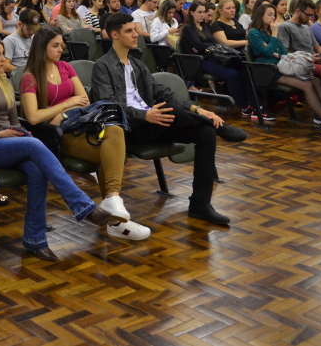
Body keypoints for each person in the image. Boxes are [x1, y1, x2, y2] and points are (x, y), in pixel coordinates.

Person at [0, 35, 116, 257]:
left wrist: (20, 134)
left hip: (11, 142)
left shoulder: (4, 82)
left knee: (38, 171)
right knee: (34, 145)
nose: (3, 59)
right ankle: (82, 205)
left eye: (3, 54)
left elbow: (15, 122)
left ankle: (35, 240)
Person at [93, 12, 231, 225]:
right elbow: (109, 105)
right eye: (129, 31)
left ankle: (200, 204)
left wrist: (197, 109)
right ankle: (219, 127)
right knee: (171, 110)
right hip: (131, 128)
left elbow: (161, 91)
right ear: (115, 35)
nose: (135, 35)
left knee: (206, 133)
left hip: (154, 122)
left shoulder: (137, 64)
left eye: (134, 30)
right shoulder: (102, 66)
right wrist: (145, 115)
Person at [15, 28, 152, 240]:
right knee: (110, 156)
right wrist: (67, 105)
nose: (61, 49)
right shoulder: (30, 77)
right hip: (55, 135)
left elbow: (85, 102)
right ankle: (116, 223)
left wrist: (61, 113)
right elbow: (33, 117)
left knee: (115, 130)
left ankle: (113, 200)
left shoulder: (65, 67)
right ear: (42, 48)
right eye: (55, 45)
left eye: (61, 44)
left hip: (79, 126)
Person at [248, 4, 321, 129]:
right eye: (269, 14)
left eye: (274, 15)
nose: (273, 17)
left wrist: (274, 52)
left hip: (281, 65)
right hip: (267, 69)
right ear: (260, 16)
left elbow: (282, 53)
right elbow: (267, 52)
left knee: (316, 81)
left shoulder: (270, 32)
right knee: (307, 85)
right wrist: (274, 36)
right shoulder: (254, 32)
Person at [2, 8, 41, 73]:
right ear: (20, 24)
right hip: (20, 74)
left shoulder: (35, 38)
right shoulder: (10, 41)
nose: (31, 32)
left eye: (34, 29)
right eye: (28, 29)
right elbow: (5, 65)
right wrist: (25, 73)